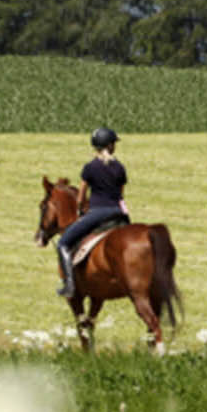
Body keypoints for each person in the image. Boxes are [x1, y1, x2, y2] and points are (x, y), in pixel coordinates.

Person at [57, 126, 128, 297]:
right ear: (110, 146)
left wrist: (81, 211)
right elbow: (121, 196)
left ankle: (70, 285)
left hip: (98, 214)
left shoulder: (89, 168)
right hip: (119, 214)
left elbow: (81, 197)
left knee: (63, 244)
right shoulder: (120, 168)